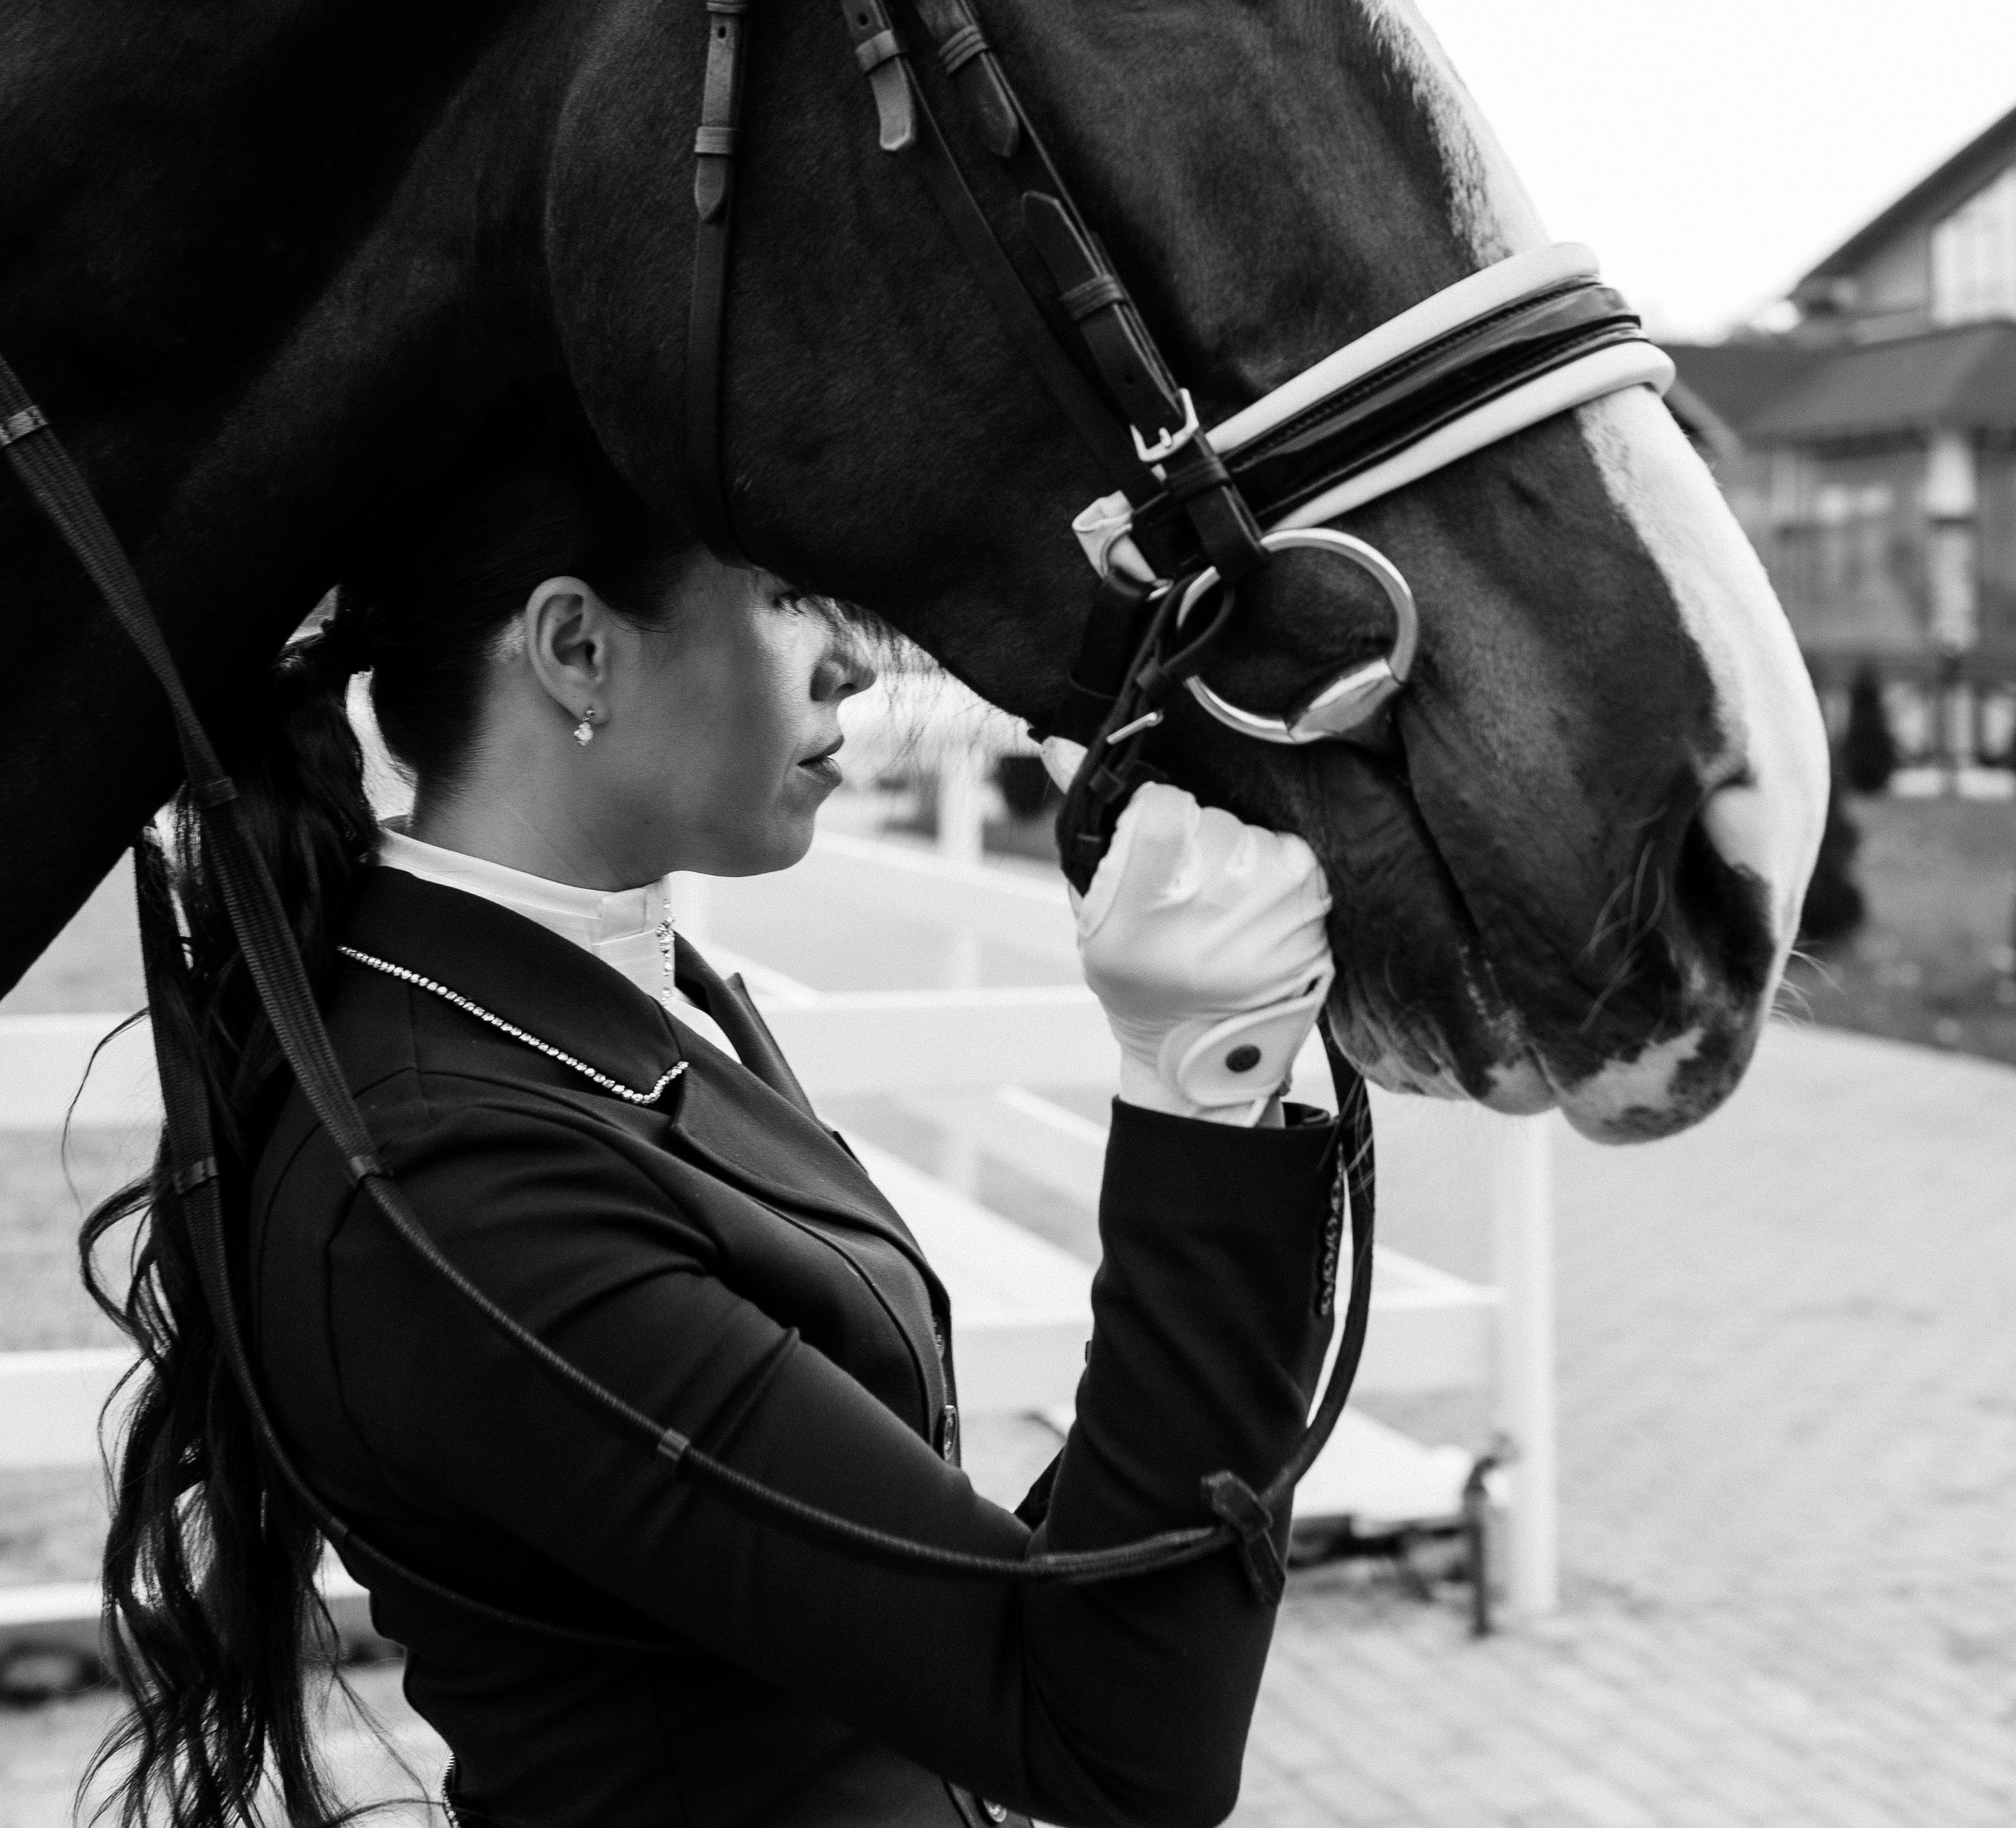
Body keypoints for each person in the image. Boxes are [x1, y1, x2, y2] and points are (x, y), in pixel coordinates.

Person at [87, 409, 1343, 1828]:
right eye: (791, 590)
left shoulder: (566, 1007)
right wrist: (1200, 1095)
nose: (857, 655)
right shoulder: (455, 1175)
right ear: (577, 649)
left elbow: (979, 1604)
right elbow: (1115, 1730)